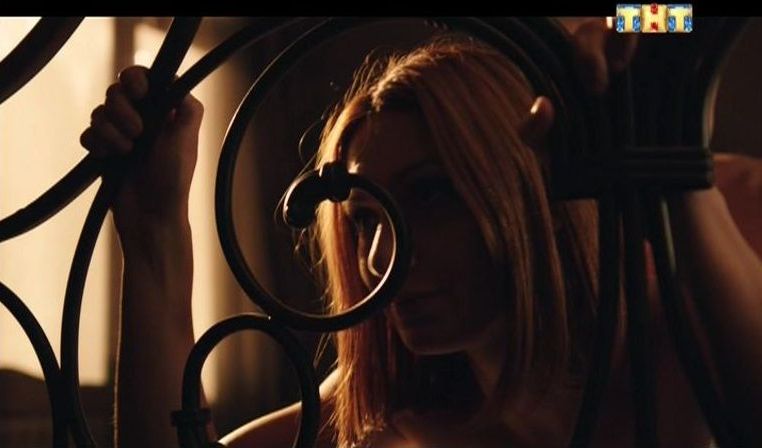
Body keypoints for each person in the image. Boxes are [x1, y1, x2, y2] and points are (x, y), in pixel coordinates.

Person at [80, 18, 762, 448]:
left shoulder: (674, 334)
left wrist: (664, 131)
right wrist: (155, 233)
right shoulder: (399, 410)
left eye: (431, 195)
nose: (380, 260)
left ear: (524, 191)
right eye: (364, 218)